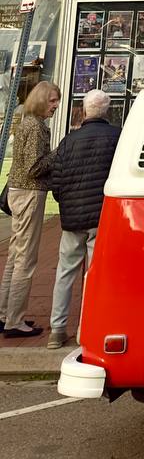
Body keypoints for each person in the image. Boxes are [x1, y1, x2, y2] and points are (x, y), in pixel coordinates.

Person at [40, 89, 121, 349]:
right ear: (106, 111)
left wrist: (65, 203)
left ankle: (57, 328)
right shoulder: (116, 138)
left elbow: (57, 178)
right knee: (95, 274)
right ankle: (86, 328)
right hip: (101, 215)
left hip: (73, 216)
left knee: (65, 272)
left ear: (85, 111)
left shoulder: (68, 140)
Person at [0, 80, 60, 338]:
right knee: (26, 259)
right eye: (52, 101)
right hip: (30, 194)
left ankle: (5, 314)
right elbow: (35, 167)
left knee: (15, 256)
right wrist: (58, 153)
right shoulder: (36, 128)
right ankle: (15, 320)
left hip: (17, 192)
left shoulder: (25, 123)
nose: (56, 106)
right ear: (41, 100)